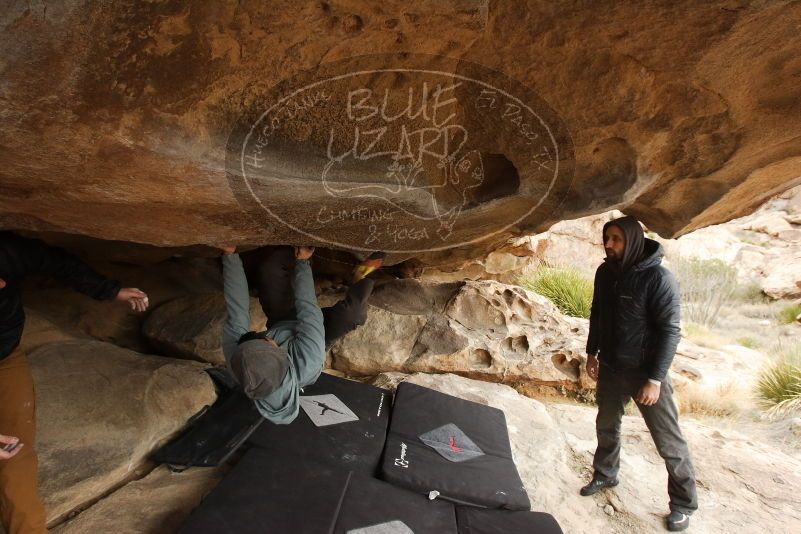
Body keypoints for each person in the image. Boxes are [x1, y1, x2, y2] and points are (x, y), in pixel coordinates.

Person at [0, 232, 149, 534]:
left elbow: (56, 262)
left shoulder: (7, 252)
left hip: (5, 356)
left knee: (15, 450)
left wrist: (111, 290)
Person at [581, 216, 697, 532]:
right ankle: (605, 474)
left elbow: (670, 331)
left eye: (616, 239)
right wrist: (591, 353)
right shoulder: (605, 272)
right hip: (611, 367)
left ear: (631, 241)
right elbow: (597, 314)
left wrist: (655, 380)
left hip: (645, 373)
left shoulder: (659, 278)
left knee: (669, 443)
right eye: (606, 238)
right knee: (606, 425)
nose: (608, 244)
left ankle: (684, 504)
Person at [221, 246, 378, 424]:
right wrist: (303, 262)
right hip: (314, 336)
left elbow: (237, 310)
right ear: (281, 354)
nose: (265, 336)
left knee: (269, 268)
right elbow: (308, 309)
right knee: (351, 314)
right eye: (267, 342)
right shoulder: (308, 360)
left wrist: (229, 255)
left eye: (258, 338)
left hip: (283, 323)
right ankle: (361, 276)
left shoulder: (238, 363)